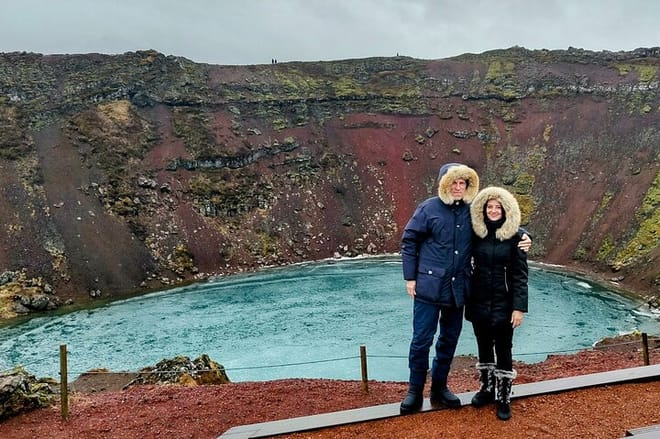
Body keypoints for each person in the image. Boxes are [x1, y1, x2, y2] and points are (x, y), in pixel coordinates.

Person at [399, 164, 530, 415]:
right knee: (422, 340)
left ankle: (439, 387)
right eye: (454, 183)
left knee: (449, 340)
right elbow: (409, 241)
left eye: (463, 183)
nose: (458, 187)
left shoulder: (472, 211)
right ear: (444, 184)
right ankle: (414, 391)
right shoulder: (428, 209)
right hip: (429, 287)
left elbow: (497, 222)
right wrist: (410, 277)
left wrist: (524, 234)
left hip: (457, 290)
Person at [466, 186, 528, 421]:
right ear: (483, 210)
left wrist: (519, 307)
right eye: (489, 207)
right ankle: (487, 389)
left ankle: (503, 397)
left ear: (505, 210)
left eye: (498, 207)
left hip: (504, 303)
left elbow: (520, 276)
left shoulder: (515, 238)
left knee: (503, 348)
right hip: (478, 301)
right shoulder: (475, 234)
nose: (493, 210)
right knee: (483, 346)